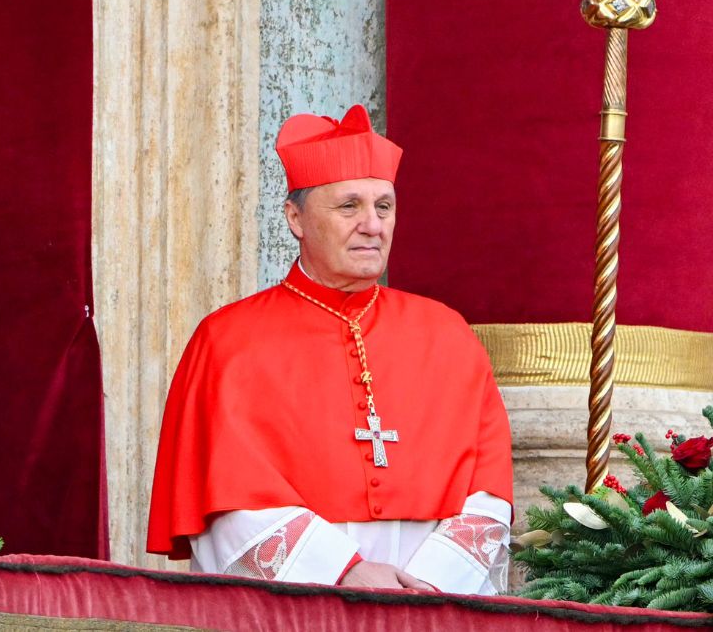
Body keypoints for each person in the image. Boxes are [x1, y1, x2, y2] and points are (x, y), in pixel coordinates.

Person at [146, 105, 513, 594]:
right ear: (295, 218)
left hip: (431, 601)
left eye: (384, 207)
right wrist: (344, 573)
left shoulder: (448, 335)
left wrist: (427, 587)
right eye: (349, 207)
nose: (372, 225)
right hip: (298, 606)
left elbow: (487, 491)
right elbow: (226, 504)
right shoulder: (228, 341)